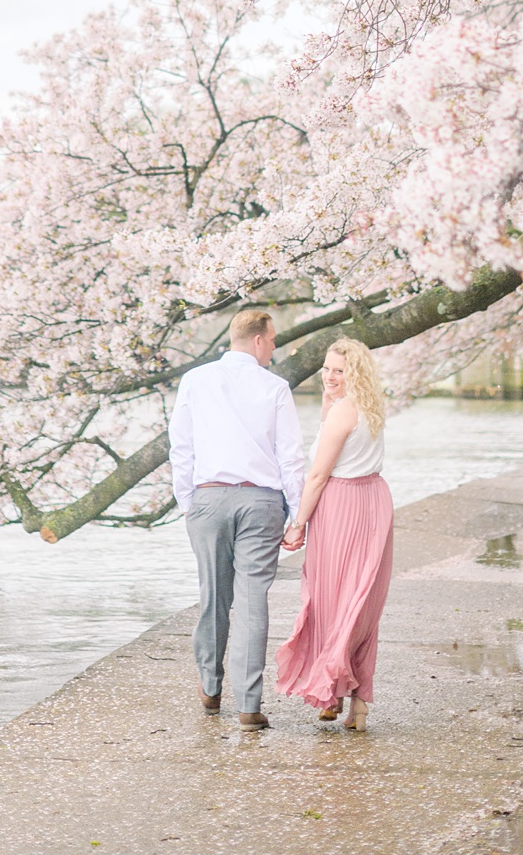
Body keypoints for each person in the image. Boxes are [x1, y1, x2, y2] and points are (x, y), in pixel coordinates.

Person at [167, 307, 307, 729]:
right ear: (260, 340)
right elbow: (291, 457)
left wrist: (187, 502)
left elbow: (181, 447)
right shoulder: (276, 387)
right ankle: (249, 706)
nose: (275, 347)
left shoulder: (195, 380)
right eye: (274, 339)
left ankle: (210, 687)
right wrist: (297, 515)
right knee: (251, 602)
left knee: (214, 596)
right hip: (262, 502)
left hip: (208, 500)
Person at [276, 337, 398, 731]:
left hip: (341, 505)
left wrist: (297, 524)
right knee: (361, 603)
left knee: (333, 601)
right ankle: (356, 704)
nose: (329, 376)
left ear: (355, 373)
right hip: (374, 499)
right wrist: (330, 404)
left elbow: (317, 475)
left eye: (339, 370)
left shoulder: (343, 412)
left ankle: (329, 691)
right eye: (327, 368)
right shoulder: (371, 407)